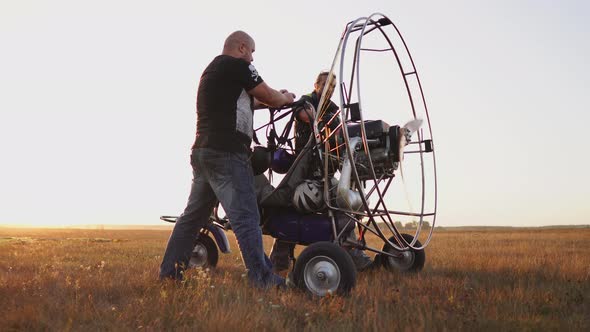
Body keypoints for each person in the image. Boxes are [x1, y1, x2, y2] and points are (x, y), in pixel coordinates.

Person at [159, 31, 296, 288]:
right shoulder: (238, 65)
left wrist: (271, 101)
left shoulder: (214, 70)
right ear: (242, 47)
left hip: (203, 152)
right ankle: (262, 278)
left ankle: (169, 273)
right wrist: (285, 98)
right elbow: (268, 94)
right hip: (227, 153)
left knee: (192, 218)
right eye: (252, 51)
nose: (253, 57)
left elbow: (249, 101)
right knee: (245, 215)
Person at [268, 71, 372, 273]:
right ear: (316, 85)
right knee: (295, 204)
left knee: (343, 204)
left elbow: (341, 132)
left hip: (325, 167)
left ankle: (352, 252)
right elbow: (303, 115)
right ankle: (279, 259)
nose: (329, 90)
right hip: (303, 166)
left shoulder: (333, 109)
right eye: (325, 85)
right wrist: (320, 120)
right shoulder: (308, 101)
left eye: (332, 87)